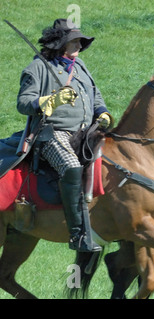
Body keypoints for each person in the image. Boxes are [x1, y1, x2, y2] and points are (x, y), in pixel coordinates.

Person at [16, 19, 113, 252]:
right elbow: (23, 102)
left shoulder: (80, 67)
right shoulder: (38, 67)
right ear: (61, 44)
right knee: (71, 168)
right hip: (52, 133)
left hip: (85, 132)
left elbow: (95, 95)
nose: (79, 45)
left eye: (80, 41)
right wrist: (48, 101)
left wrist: (103, 113)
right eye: (74, 41)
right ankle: (79, 235)